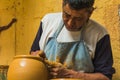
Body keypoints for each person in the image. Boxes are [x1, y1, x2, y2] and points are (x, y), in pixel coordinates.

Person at [30, 0, 115, 80]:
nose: (70, 23)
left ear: (90, 13)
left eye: (78, 19)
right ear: (62, 4)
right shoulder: (47, 22)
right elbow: (32, 56)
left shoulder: (99, 34)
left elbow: (105, 77)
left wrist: (71, 75)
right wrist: (37, 58)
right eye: (67, 15)